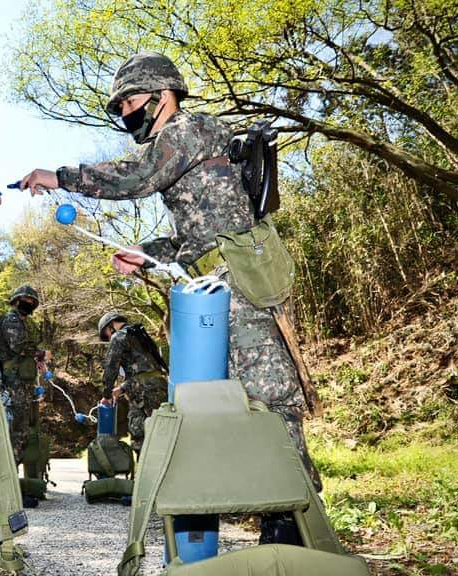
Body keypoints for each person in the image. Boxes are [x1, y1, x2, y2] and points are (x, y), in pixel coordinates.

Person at [19, 52, 321, 495]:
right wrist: (147, 252)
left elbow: (137, 176)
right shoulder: (185, 148)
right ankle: (272, 506)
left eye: (128, 102)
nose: (124, 113)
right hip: (217, 284)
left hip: (240, 281)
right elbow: (198, 237)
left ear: (162, 96)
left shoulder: (190, 130)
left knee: (268, 397)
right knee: (238, 401)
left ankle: (298, 514)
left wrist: (62, 177)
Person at [0, 285, 49, 471]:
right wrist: (40, 353)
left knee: (22, 432)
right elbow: (18, 345)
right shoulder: (11, 319)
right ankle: (7, 476)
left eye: (33, 302)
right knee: (16, 432)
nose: (30, 304)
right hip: (12, 384)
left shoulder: (24, 323)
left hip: (22, 385)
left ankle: (11, 476)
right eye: (27, 300)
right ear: (16, 300)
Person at [97, 311, 167, 455]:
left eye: (107, 334)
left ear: (111, 326)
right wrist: (122, 388)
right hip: (158, 385)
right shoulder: (139, 335)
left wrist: (107, 394)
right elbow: (146, 370)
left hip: (144, 390)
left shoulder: (119, 336)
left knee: (140, 431)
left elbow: (111, 367)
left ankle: (145, 472)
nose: (109, 338)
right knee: (159, 430)